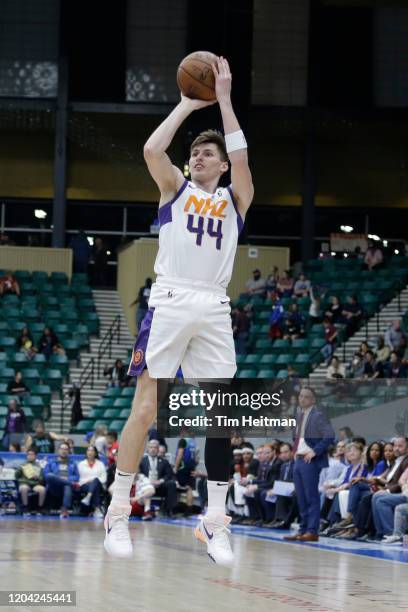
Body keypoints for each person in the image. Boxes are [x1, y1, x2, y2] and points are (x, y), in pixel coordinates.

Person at [104, 56, 254, 566]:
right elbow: (151, 148)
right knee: (146, 409)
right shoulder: (175, 190)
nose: (198, 157)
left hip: (213, 305)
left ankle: (214, 523)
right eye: (194, 152)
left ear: (223, 163)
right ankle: (118, 510)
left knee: (220, 417)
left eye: (208, 152)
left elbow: (242, 154)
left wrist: (226, 100)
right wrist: (189, 103)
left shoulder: (237, 198)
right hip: (169, 298)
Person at [283, 387, 335, 542]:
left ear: (313, 400)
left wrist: (315, 451)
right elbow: (297, 438)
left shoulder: (318, 416)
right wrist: (294, 452)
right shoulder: (299, 415)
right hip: (298, 459)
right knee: (300, 497)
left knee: (310, 496)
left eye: (306, 397)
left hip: (309, 460)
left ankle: (312, 530)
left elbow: (330, 435)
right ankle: (303, 529)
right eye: (300, 396)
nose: (302, 399)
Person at [139, 439, 177, 518]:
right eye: (151, 447)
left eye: (155, 447)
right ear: (148, 449)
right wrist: (147, 481)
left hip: (159, 486)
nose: (153, 449)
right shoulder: (142, 461)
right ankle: (145, 510)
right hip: (145, 485)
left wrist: (160, 481)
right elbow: (138, 473)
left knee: (172, 484)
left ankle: (169, 510)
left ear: (158, 449)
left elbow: (169, 474)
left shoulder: (164, 461)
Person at [44, 442, 80, 518]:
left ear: (68, 451)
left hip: (67, 488)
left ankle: (64, 510)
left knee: (67, 485)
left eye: (66, 449)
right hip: (54, 487)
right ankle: (69, 483)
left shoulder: (72, 463)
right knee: (50, 476)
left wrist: (67, 479)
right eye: (62, 449)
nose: (64, 451)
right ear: (58, 450)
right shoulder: (51, 462)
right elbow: (46, 474)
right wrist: (60, 479)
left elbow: (77, 477)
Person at [77, 445, 107, 518]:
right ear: (86, 452)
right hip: (85, 485)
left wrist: (93, 480)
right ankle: (97, 509)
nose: (90, 452)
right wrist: (89, 480)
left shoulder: (100, 464)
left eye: (92, 450)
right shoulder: (81, 464)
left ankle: (88, 497)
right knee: (94, 485)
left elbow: (104, 478)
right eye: (88, 450)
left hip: (99, 485)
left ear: (96, 453)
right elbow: (80, 478)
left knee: (96, 481)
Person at [15, 447, 46, 515]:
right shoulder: (22, 465)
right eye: (28, 454)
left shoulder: (39, 466)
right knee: (24, 488)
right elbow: (16, 476)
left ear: (35, 456)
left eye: (32, 454)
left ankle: (39, 508)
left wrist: (38, 478)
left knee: (42, 489)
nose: (30, 456)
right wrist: (20, 469)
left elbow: (42, 479)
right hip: (25, 483)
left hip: (35, 484)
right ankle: (25, 508)